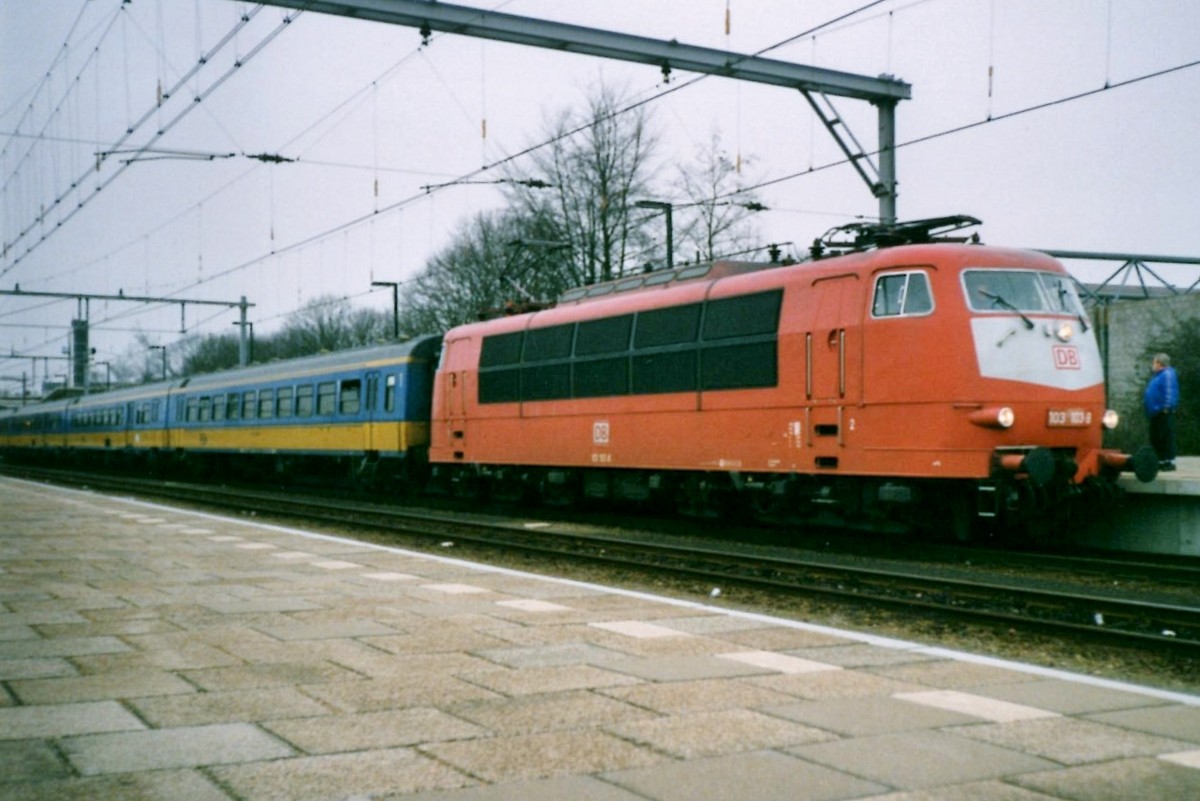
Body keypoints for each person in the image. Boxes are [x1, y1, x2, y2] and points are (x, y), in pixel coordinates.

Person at [1143, 352, 1179, 472]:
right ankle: (1160, 460)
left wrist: (1166, 407)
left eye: (1154, 362)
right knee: (1156, 437)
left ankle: (1169, 461)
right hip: (1155, 411)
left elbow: (1169, 392)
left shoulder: (1167, 374)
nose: (1153, 365)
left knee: (1165, 437)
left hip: (1162, 411)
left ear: (1160, 363)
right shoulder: (1158, 375)